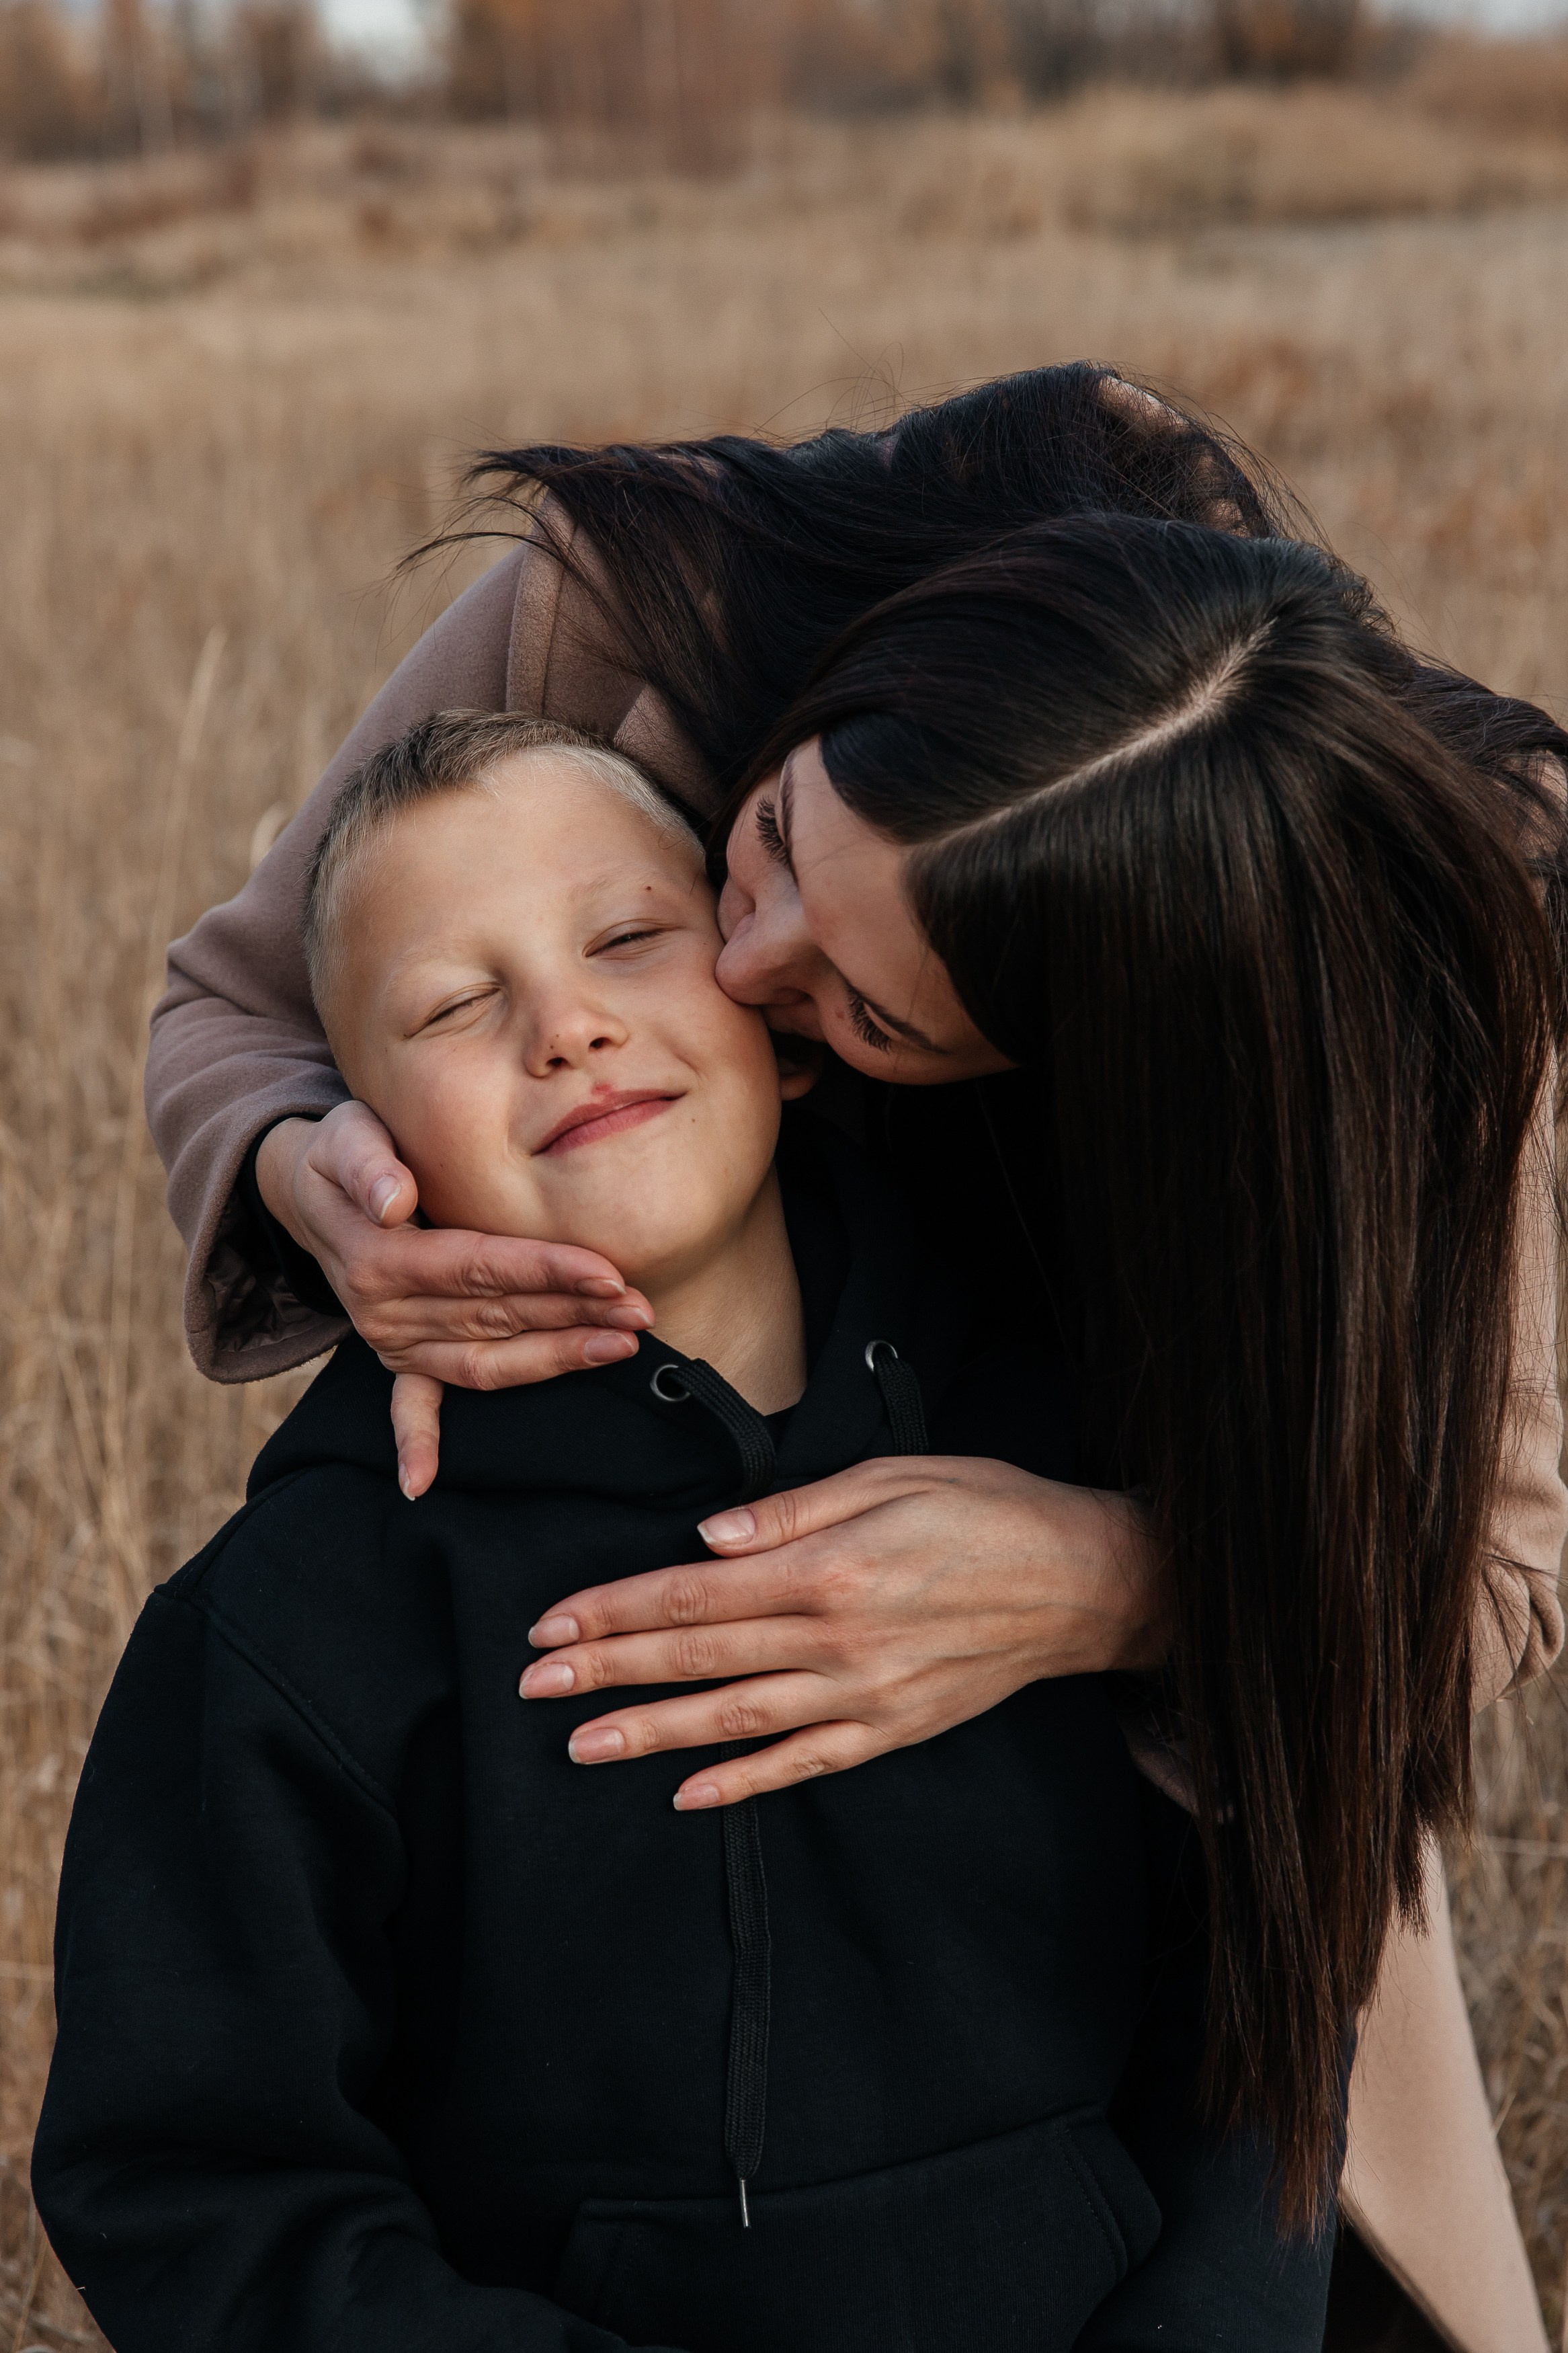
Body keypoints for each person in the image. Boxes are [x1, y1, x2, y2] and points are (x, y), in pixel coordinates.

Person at [145, 368, 1566, 2345]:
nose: (736, 969)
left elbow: (1478, 1562)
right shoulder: (655, 597)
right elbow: (254, 995)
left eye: (861, 1011)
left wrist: (1096, 1576)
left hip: (1184, 1857)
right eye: (769, 837)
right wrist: (326, 1181)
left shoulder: (1385, 968)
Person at [34, 710, 1336, 2353]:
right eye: (452, 1003)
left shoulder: (1070, 1458)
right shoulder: (301, 1620)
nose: (567, 1026)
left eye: (631, 939)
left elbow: (1265, 2006)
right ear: (365, 1163)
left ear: (788, 1020)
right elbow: (197, 2186)